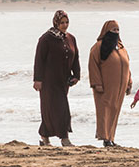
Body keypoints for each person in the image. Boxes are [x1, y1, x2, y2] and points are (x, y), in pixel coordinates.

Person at [33, 9, 81, 147]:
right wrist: (37, 80)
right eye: (62, 23)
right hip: (48, 81)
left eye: (66, 22)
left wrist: (76, 75)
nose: (65, 25)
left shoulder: (71, 38)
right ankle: (64, 138)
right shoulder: (46, 39)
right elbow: (39, 60)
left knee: (51, 110)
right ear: (55, 22)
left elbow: (75, 57)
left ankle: (44, 136)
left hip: (63, 81)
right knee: (61, 109)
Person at [88, 20, 132, 147]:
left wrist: (129, 82)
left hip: (120, 87)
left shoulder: (122, 48)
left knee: (115, 110)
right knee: (104, 111)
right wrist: (97, 83)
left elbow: (127, 66)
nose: (116, 32)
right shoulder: (98, 47)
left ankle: (111, 137)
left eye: (118, 30)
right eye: (113, 30)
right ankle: (105, 138)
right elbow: (93, 66)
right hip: (105, 86)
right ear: (107, 31)